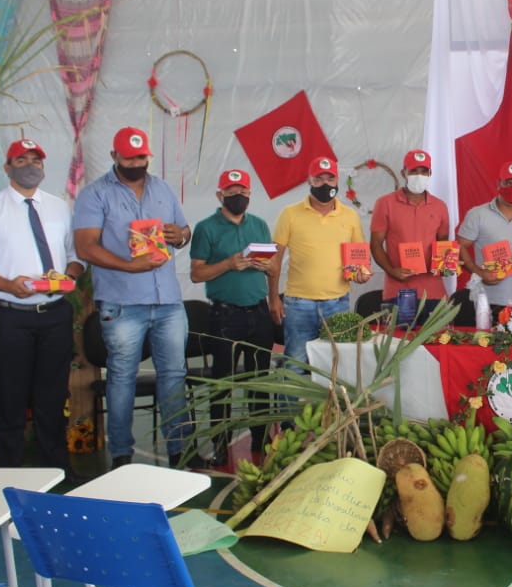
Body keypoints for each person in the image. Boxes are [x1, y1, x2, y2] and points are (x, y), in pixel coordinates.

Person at [0, 139, 85, 479]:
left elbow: (76, 256)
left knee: (52, 396)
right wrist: (8, 284)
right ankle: (8, 472)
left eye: (36, 160)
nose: (30, 165)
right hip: (8, 316)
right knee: (10, 399)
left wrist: (69, 276)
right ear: (7, 168)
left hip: (54, 314)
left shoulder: (60, 208)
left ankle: (56, 467)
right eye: (21, 159)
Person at [73, 126, 192, 468]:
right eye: (129, 157)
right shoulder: (95, 195)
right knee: (122, 377)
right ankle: (122, 454)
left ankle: (178, 450)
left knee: (174, 374)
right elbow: (85, 247)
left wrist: (179, 234)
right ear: (114, 157)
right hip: (122, 303)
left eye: (142, 157)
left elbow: (185, 231)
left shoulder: (163, 189)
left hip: (168, 301)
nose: (136, 163)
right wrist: (128, 265)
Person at [189, 168, 278, 467]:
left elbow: (274, 264)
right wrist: (229, 264)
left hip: (259, 311)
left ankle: (260, 439)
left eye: (243, 192)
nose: (238, 196)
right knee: (222, 383)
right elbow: (196, 272)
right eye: (231, 191)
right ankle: (220, 443)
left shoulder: (260, 225)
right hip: (225, 315)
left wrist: (268, 272)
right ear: (220, 195)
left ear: (250, 195)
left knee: (260, 381)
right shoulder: (206, 227)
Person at [271, 156, 370, 366]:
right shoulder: (289, 214)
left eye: (330, 178)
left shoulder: (350, 216)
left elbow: (359, 257)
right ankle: (291, 401)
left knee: (337, 366)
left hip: (338, 303)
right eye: (318, 179)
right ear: (309, 181)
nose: (325, 184)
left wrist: (362, 274)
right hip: (298, 304)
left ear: (337, 181)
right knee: (295, 365)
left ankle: (332, 401)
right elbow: (275, 259)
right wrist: (273, 298)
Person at [369, 149, 451, 323]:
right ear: (403, 172)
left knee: (438, 346)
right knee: (400, 347)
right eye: (413, 171)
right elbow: (376, 244)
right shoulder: (385, 203)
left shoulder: (440, 206)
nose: (418, 175)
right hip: (399, 292)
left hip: (435, 292)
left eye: (423, 171)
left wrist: (445, 264)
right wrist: (392, 271)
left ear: (430, 173)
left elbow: (443, 243)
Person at [457, 161, 512, 316]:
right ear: (498, 183)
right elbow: (459, 246)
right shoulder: (477, 214)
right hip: (483, 301)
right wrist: (478, 272)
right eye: (507, 182)